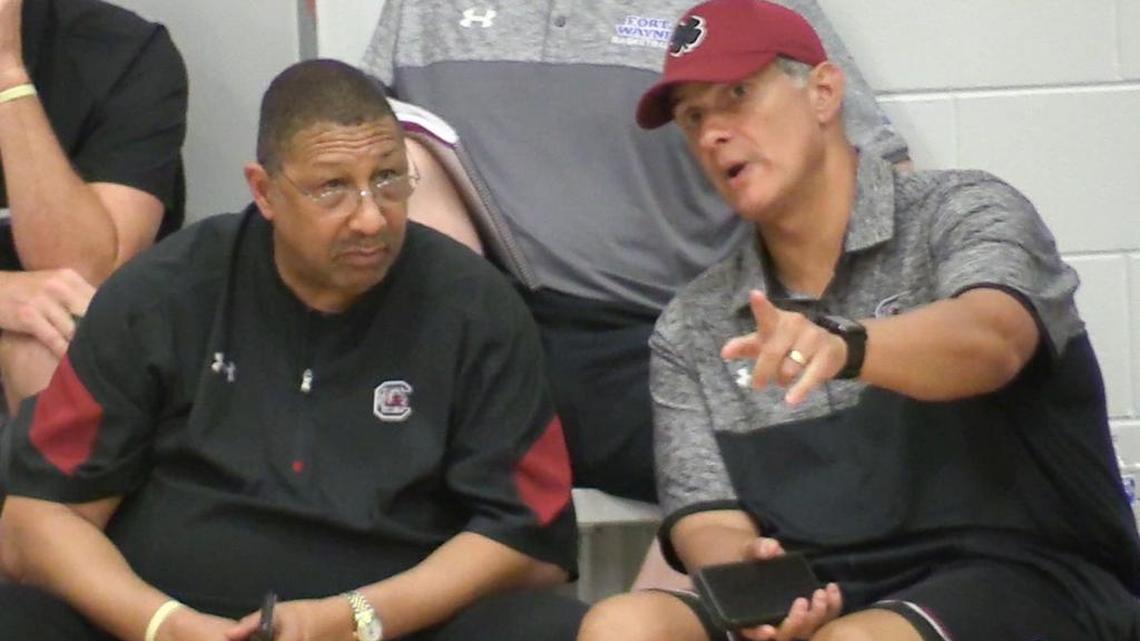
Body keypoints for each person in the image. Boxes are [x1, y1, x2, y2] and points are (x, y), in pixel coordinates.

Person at [576, 1, 1140, 640]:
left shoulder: (963, 210)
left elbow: (994, 338)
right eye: (693, 116)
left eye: (737, 94)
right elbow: (705, 513)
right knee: (623, 624)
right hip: (824, 586)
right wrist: (755, 586)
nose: (712, 133)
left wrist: (848, 344)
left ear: (823, 92)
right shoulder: (693, 322)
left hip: (1023, 571)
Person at [0, 59, 585, 641]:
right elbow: (40, 515)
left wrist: (356, 617)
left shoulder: (474, 306)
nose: (369, 217)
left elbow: (528, 536)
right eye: (332, 188)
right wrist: (162, 625)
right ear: (265, 191)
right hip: (166, 621)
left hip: (395, 624)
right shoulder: (163, 294)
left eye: (389, 179)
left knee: (549, 628)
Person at [360, 0, 909, 504]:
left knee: (787, 471)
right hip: (492, 337)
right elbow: (335, 132)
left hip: (665, 331)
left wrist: (878, 331)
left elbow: (870, 167)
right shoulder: (419, 9)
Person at [0, 0, 187, 415]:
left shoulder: (123, 53)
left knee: (55, 347)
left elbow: (86, 274)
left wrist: (6, 70)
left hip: (60, 338)